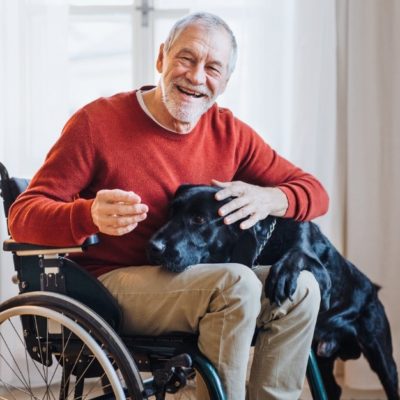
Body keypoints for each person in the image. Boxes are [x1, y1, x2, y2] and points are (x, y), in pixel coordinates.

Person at [9, 12, 329, 400]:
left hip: (196, 281)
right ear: (161, 58)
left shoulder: (230, 133)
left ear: (225, 82)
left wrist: (270, 197)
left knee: (303, 288)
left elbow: (315, 193)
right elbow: (22, 216)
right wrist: (87, 214)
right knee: (237, 282)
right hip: (110, 286)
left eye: (213, 68)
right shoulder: (97, 123)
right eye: (186, 58)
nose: (196, 77)